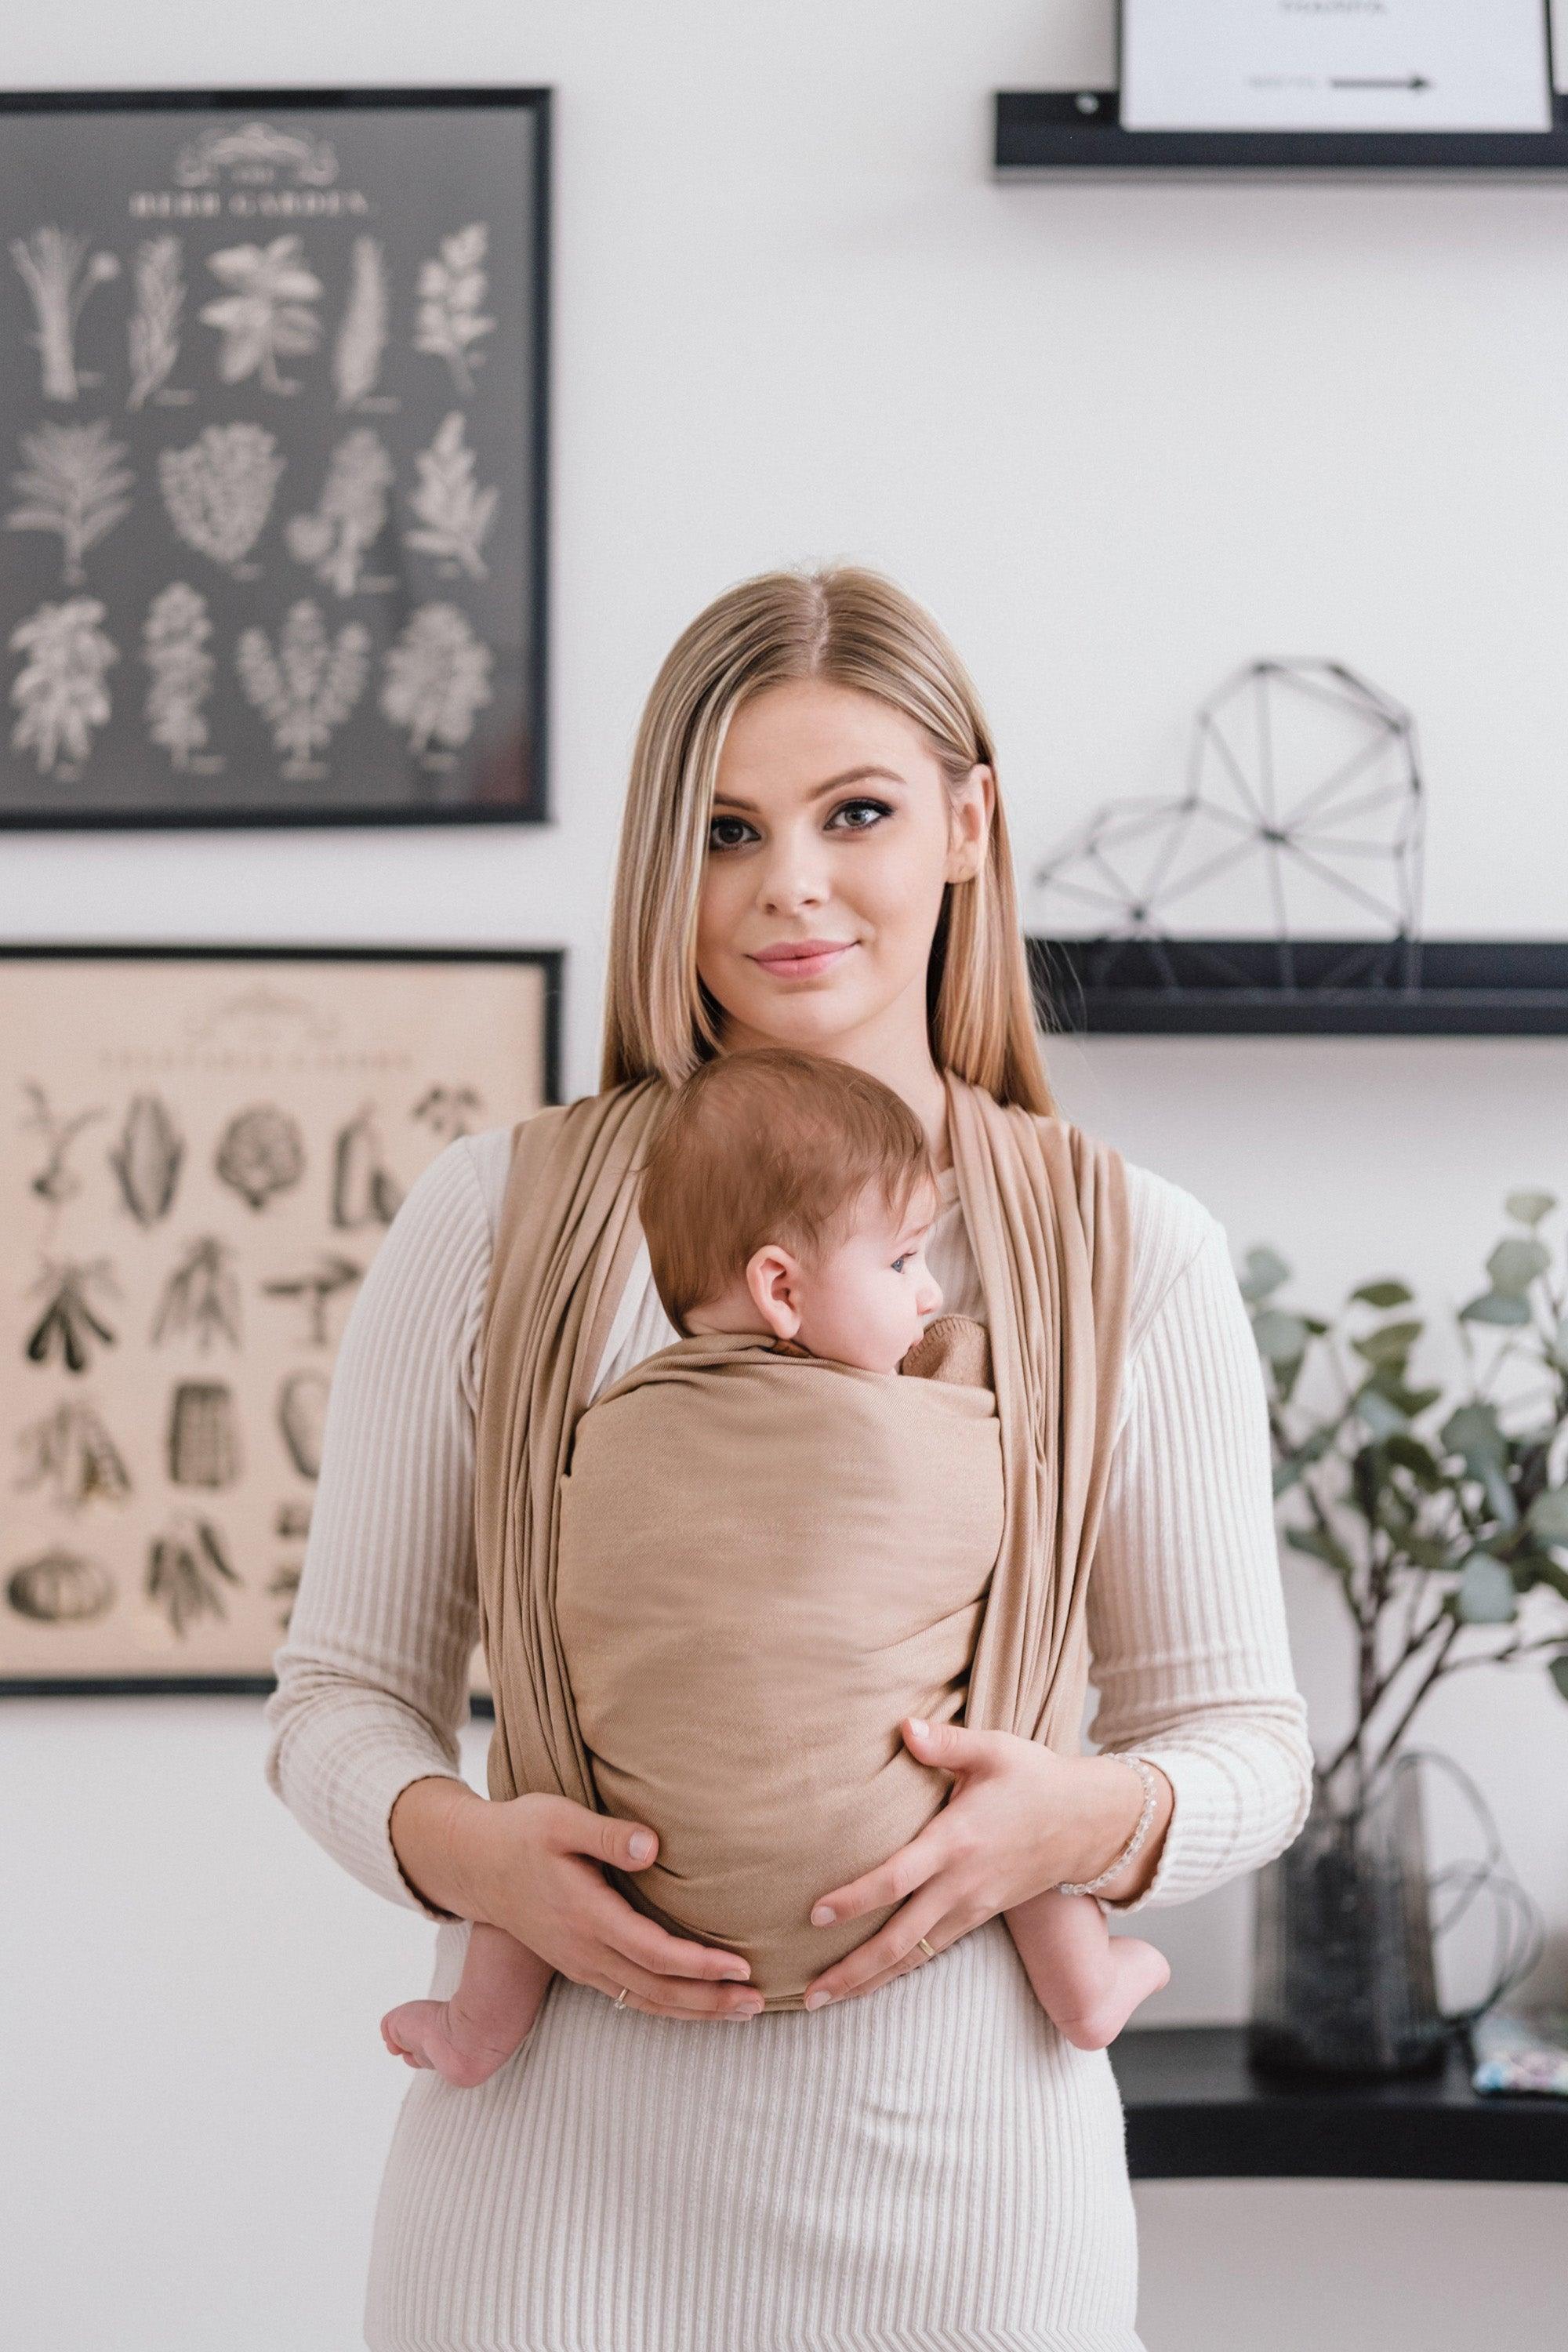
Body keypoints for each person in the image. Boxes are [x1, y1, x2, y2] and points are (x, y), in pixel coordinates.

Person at [263, 563, 1314, 2351]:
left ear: (968, 825)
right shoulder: (490, 1224)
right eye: (728, 828)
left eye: (857, 814)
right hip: (548, 2210)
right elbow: (334, 1706)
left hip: (976, 2210)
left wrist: (1092, 1820)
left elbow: (1247, 1746)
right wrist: (469, 1856)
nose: (790, 886)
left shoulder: (1137, 1251)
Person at [376, 1047, 1171, 2088]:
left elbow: (578, 1613)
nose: (930, 1294)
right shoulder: (921, 1429)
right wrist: (960, 1369)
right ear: (781, 1290)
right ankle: (1086, 1990)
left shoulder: (604, 1429)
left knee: (542, 1770)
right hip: (882, 1861)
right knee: (1004, 1752)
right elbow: (1018, 1531)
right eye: (901, 1264)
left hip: (648, 1877)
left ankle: (481, 2026)